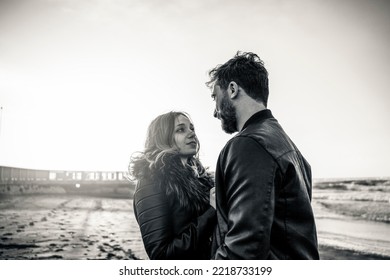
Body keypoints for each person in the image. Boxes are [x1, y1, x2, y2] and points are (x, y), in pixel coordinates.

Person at [206, 51, 319, 259]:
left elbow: (244, 251)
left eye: (215, 96)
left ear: (232, 89)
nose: (215, 111)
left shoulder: (248, 145)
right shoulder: (290, 148)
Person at [129, 111, 216, 259]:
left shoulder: (199, 179)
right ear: (163, 138)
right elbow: (160, 255)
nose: (191, 134)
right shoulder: (151, 181)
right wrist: (211, 212)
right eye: (181, 130)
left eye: (192, 129)